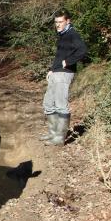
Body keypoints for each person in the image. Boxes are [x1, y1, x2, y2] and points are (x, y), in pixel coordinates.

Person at [41, 9, 87, 146]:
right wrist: (52, 70)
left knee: (61, 106)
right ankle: (53, 133)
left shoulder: (73, 34)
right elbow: (60, 55)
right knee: (48, 104)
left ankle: (59, 138)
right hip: (56, 73)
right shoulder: (63, 35)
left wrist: (68, 62)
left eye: (60, 22)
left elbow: (83, 50)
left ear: (68, 21)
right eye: (56, 22)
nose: (58, 24)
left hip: (65, 74)